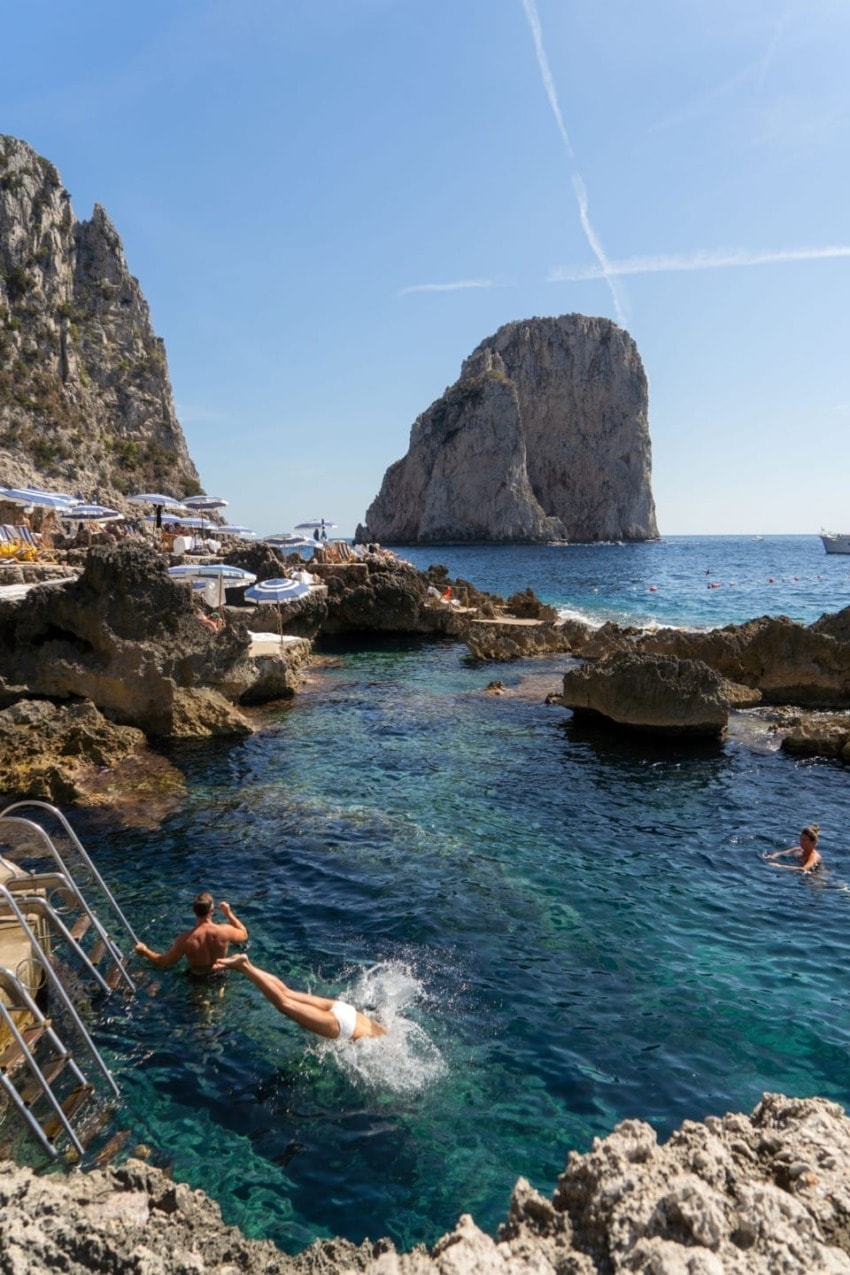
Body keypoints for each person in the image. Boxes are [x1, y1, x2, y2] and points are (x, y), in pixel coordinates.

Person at [213, 953, 387, 1041]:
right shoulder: (382, 1044)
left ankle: (248, 964)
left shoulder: (383, 1029)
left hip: (348, 1010)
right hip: (344, 1027)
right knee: (284, 1004)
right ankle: (245, 967)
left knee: (288, 992)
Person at [135, 893, 248, 975]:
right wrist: (228, 913)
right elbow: (244, 934)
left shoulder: (185, 940)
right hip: (221, 974)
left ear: (194, 911)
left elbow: (164, 962)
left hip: (198, 978)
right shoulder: (225, 930)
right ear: (212, 911)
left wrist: (145, 951)